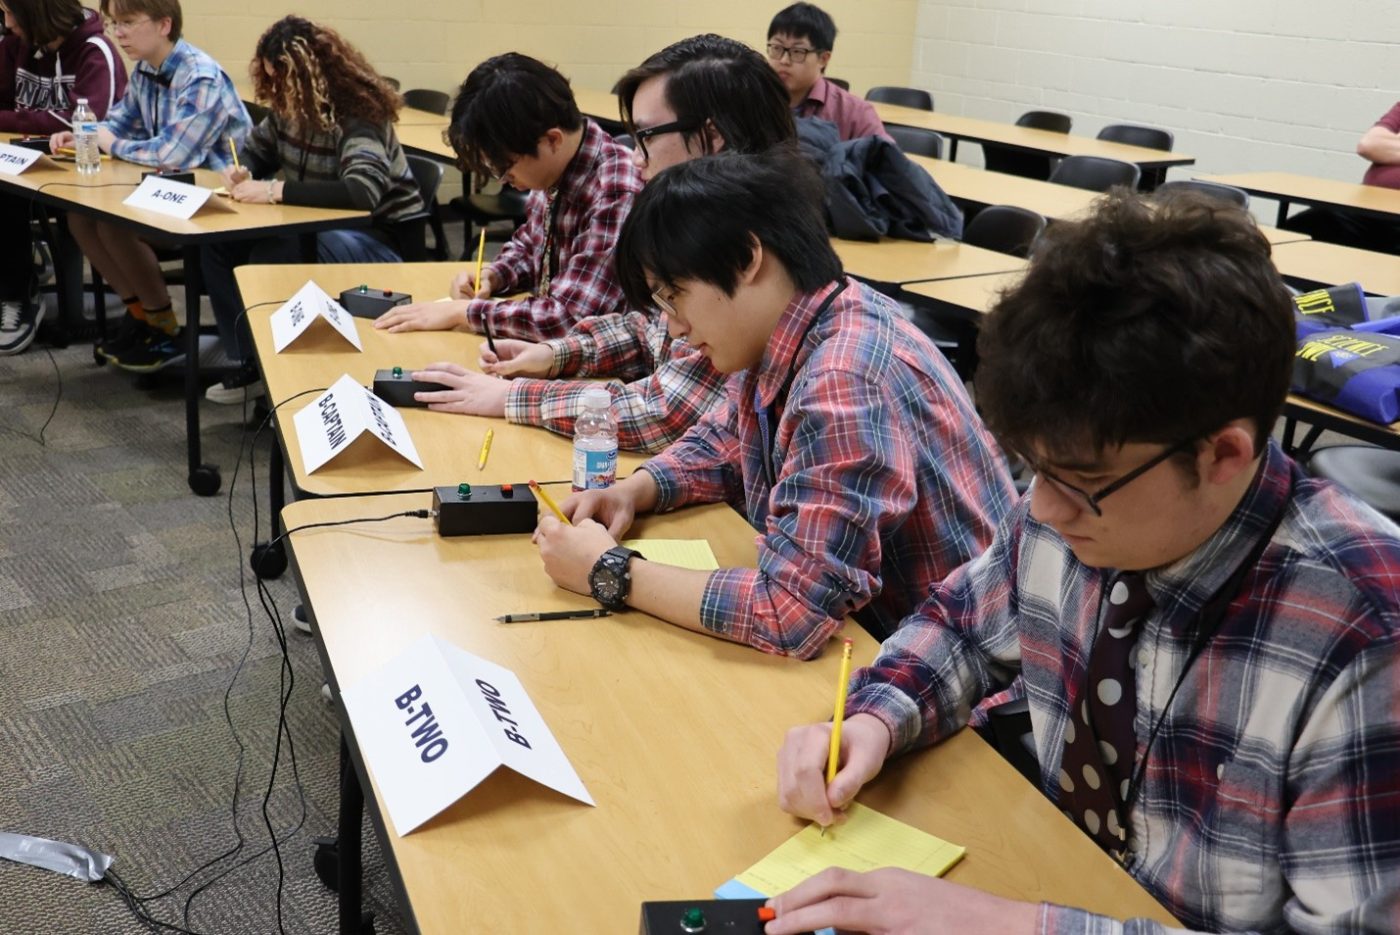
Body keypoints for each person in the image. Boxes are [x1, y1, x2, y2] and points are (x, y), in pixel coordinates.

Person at [768, 190, 1400, 934]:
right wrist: (875, 716)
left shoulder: (1365, 637)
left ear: (1224, 452)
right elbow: (965, 625)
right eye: (1034, 468)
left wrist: (1014, 926)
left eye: (1080, 482)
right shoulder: (1078, 503)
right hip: (1061, 869)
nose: (1039, 509)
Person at [531, 149, 1015, 659]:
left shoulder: (845, 378)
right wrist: (634, 489)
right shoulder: (799, 319)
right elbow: (727, 440)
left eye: (674, 296)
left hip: (951, 677)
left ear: (747, 258)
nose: (672, 326)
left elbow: (790, 610)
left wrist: (610, 571)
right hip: (880, 643)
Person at [407, 34, 795, 453]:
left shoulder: (739, 249)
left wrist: (509, 394)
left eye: (645, 135)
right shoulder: (710, 224)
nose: (635, 157)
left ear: (712, 138)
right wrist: (558, 354)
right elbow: (650, 329)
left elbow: (665, 411)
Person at [198, 15, 425, 403]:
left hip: (380, 239)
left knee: (273, 254)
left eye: (281, 80)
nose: (275, 89)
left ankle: (283, 368)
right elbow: (259, 151)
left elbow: (361, 193)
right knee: (217, 245)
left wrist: (274, 190)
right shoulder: (290, 109)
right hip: (317, 228)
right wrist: (242, 170)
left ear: (307, 76)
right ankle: (252, 361)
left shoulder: (358, 114)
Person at [373, 53, 641, 343]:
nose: (503, 180)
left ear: (552, 140)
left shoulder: (615, 189)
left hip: (605, 371)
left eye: (505, 166)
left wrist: (464, 312)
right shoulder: (555, 167)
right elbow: (531, 246)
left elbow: (569, 318)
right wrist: (494, 276)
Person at [49, 0, 250, 371]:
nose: (118, 33)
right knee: (80, 217)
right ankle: (140, 315)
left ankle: (162, 326)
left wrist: (108, 142)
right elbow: (118, 124)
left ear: (163, 25)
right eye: (114, 23)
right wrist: (82, 134)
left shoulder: (199, 75)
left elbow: (175, 155)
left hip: (219, 204)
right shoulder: (145, 70)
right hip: (172, 192)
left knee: (113, 223)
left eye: (127, 22)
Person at [0, 0, 125, 355]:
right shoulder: (16, 44)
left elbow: (81, 122)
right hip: (32, 160)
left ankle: (17, 295)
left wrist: (13, 121)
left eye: (12, 14)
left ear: (37, 13)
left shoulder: (95, 52)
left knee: (5, 189)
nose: (7, 24)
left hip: (90, 169)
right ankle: (20, 272)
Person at [1281, 102, 1400, 254]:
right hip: (1365, 209)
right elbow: (1369, 145)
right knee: (1298, 231)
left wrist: (1390, 146)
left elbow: (1378, 145)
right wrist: (1380, 146)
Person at [766, 2, 889, 142]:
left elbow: (885, 159)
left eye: (797, 52)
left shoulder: (855, 112)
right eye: (777, 48)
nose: (784, 60)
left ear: (823, 59)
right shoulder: (754, 99)